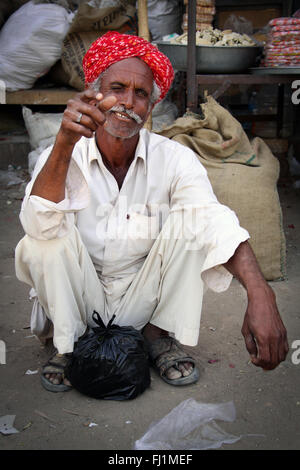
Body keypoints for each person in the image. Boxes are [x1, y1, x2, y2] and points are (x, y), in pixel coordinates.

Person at [15, 31, 289, 393]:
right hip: (78, 298)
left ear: (152, 105)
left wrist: (261, 293)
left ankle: (156, 335)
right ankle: (68, 344)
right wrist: (65, 144)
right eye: (117, 87)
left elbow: (211, 218)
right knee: (41, 240)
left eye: (140, 93)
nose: (128, 103)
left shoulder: (174, 158)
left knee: (192, 224)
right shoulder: (63, 150)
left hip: (142, 298)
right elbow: (37, 223)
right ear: (94, 93)